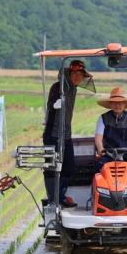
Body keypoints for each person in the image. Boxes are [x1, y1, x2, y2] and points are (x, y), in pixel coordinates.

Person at [43, 60, 95, 208]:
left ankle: (61, 195)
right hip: (53, 132)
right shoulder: (57, 87)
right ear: (69, 73)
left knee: (69, 167)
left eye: (81, 74)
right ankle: (53, 199)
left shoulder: (73, 88)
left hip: (66, 133)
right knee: (51, 166)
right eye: (76, 73)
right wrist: (56, 104)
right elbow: (51, 107)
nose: (78, 77)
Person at [95, 87, 127, 173]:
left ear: (125, 104)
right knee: (98, 167)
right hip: (109, 154)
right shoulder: (103, 118)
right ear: (110, 104)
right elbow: (98, 138)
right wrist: (100, 148)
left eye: (120, 103)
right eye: (114, 103)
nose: (117, 105)